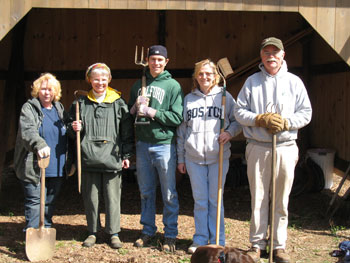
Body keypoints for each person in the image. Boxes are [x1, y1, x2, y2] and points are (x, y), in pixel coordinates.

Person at [234, 37, 312, 263]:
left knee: (281, 199)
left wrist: (287, 123)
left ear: (282, 55)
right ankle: (257, 244)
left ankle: (279, 246)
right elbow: (239, 113)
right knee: (258, 198)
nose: (271, 56)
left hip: (285, 147)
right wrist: (258, 119)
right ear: (261, 56)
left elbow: (306, 113)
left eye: (275, 52)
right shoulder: (252, 82)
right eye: (267, 52)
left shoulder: (294, 82)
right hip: (258, 147)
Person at [177, 59, 242, 254]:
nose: (205, 77)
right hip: (193, 157)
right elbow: (181, 130)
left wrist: (229, 132)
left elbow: (238, 121)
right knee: (200, 200)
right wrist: (181, 158)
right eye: (201, 74)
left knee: (216, 200)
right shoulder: (189, 99)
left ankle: (217, 240)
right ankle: (200, 240)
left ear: (215, 76)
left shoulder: (225, 97)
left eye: (209, 74)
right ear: (196, 77)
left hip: (218, 157)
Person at [68, 63, 134, 249]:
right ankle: (92, 231)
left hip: (112, 158)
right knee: (91, 197)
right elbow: (67, 129)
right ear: (89, 80)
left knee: (113, 197)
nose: (100, 82)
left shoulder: (119, 103)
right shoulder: (80, 103)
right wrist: (74, 129)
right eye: (96, 79)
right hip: (88, 158)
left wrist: (127, 154)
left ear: (109, 80)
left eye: (103, 79)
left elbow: (127, 133)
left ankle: (113, 233)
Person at [128, 45, 183, 252]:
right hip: (142, 144)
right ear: (148, 61)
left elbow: (177, 118)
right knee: (146, 192)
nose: (156, 63)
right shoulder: (138, 85)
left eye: (160, 60)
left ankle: (170, 235)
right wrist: (135, 108)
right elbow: (129, 115)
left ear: (166, 62)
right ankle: (148, 230)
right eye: (152, 59)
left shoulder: (173, 86)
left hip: (164, 145)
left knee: (169, 193)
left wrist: (152, 111)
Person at [14, 73, 69, 231]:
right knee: (35, 201)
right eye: (43, 89)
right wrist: (39, 144)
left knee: (50, 201)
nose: (47, 92)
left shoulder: (59, 108)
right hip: (34, 165)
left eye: (50, 89)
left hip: (55, 165)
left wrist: (74, 127)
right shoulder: (29, 108)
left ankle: (45, 229)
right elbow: (28, 131)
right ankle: (32, 233)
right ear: (37, 90)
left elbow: (66, 130)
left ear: (55, 92)